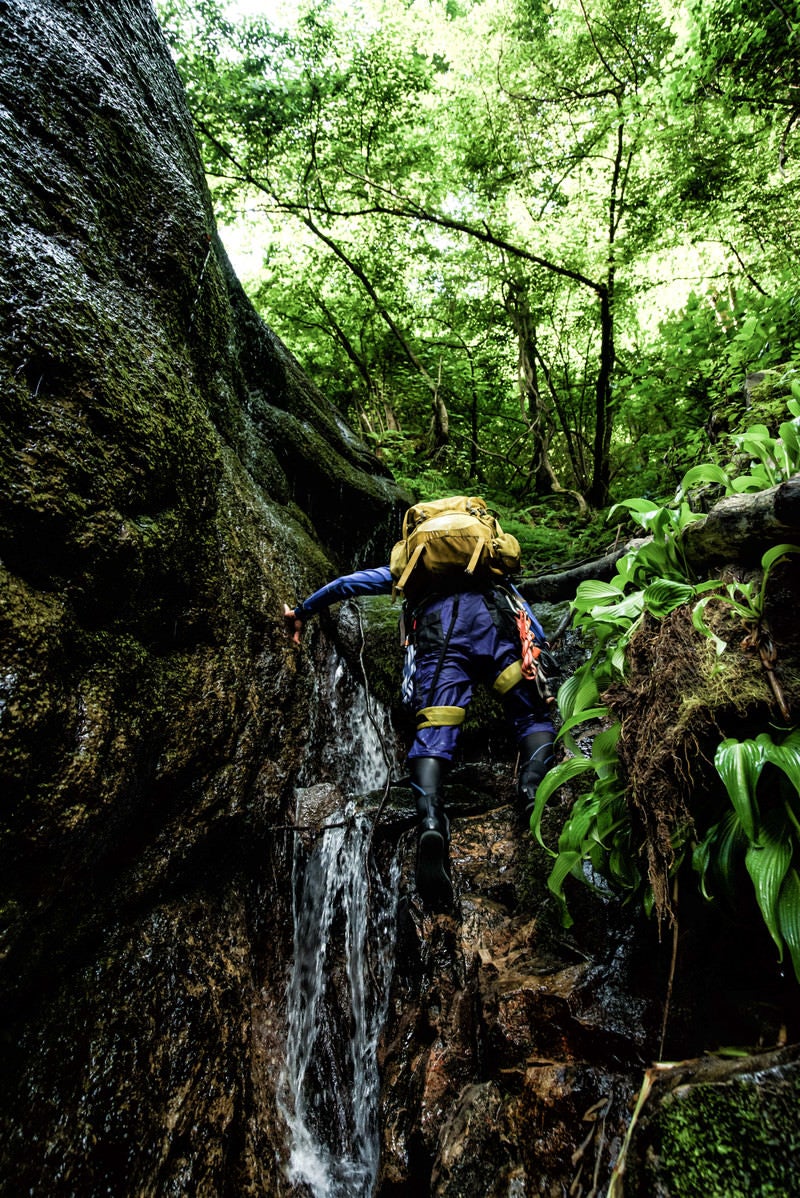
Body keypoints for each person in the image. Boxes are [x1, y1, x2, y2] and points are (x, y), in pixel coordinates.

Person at [283, 563, 555, 911]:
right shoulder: (487, 561)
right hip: (492, 618)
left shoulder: (414, 564)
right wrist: (539, 643)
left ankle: (431, 821)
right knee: (531, 716)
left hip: (439, 628)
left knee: (434, 730)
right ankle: (533, 792)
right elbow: (516, 601)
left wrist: (303, 610)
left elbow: (348, 584)